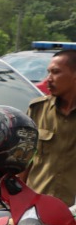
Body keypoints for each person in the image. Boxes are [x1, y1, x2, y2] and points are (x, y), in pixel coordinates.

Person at [24, 48, 76, 207]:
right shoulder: (37, 110)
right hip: (36, 211)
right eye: (48, 72)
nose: (48, 79)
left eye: (56, 72)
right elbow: (23, 161)